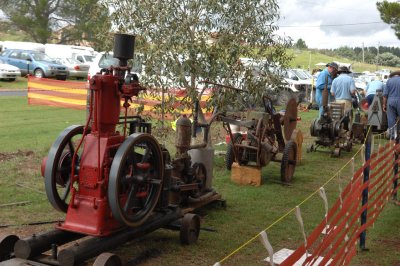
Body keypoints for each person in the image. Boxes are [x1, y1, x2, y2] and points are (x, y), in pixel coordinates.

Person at [383, 71, 400, 139]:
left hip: (391, 101)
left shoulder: (389, 81)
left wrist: (384, 105)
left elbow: (385, 95)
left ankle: (393, 137)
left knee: (391, 119)